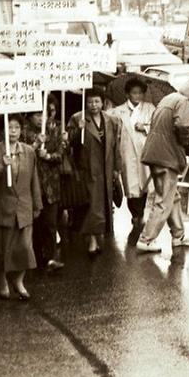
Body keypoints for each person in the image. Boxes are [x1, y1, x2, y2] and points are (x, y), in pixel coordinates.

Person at [0, 114, 42, 300]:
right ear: (2, 131)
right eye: (9, 127)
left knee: (25, 247)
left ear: (21, 130)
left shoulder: (29, 151)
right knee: (2, 249)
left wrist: (37, 204)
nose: (13, 131)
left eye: (16, 127)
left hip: (24, 206)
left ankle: (19, 280)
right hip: (2, 207)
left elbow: (34, 179)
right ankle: (2, 281)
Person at [136, 78, 189, 253]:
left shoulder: (169, 99)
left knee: (172, 196)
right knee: (164, 199)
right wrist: (185, 139)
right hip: (167, 155)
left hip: (154, 152)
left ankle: (178, 235)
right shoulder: (183, 102)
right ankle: (146, 238)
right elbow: (182, 125)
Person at [67, 87, 122, 255]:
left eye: (97, 101)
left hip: (106, 167)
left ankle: (98, 235)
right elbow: (70, 143)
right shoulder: (78, 118)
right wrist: (79, 130)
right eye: (90, 102)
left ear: (103, 102)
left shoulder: (111, 120)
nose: (93, 105)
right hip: (87, 168)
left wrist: (117, 168)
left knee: (104, 204)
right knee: (91, 205)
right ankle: (91, 238)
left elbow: (115, 146)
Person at [22, 97, 65, 272]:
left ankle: (51, 257)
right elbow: (22, 156)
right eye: (37, 115)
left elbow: (61, 154)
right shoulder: (23, 132)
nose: (41, 118)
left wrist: (48, 156)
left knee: (50, 223)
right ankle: (36, 258)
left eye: (44, 114)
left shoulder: (54, 130)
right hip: (32, 185)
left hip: (51, 185)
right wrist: (35, 145)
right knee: (35, 223)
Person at [109, 78, 156, 232]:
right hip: (127, 152)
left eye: (140, 93)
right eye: (134, 93)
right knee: (130, 186)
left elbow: (157, 127)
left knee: (144, 185)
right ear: (128, 94)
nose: (137, 96)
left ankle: (140, 213)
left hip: (145, 151)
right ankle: (136, 215)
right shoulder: (117, 112)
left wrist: (145, 127)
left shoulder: (150, 108)